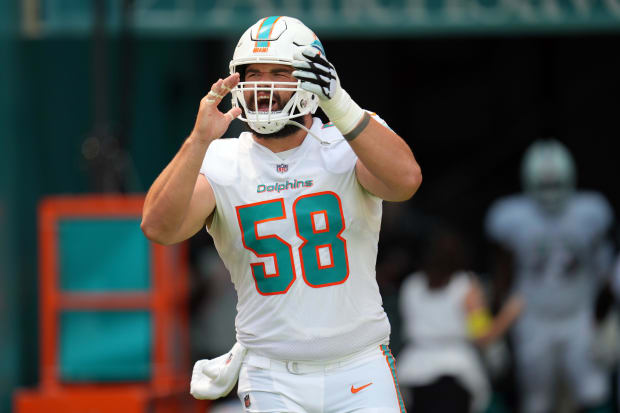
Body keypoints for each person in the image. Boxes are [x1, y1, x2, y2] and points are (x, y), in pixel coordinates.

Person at [141, 15, 422, 413]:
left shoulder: (349, 139)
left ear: (312, 78)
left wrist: (340, 105)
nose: (263, 85)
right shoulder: (222, 159)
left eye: (279, 72)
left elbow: (406, 181)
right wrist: (198, 139)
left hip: (359, 365)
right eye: (253, 73)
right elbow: (158, 227)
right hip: (273, 374)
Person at [484, 139, 615, 413]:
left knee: (593, 389)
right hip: (533, 316)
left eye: (555, 185)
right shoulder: (511, 217)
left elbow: (604, 270)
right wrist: (495, 319)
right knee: (537, 398)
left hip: (580, 314)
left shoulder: (591, 212)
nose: (550, 193)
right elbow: (503, 272)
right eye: (544, 185)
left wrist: (603, 318)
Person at [397, 226, 522, 413]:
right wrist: (509, 314)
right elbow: (482, 336)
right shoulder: (465, 286)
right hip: (455, 371)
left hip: (414, 370)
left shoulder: (411, 285)